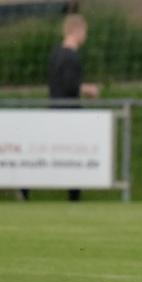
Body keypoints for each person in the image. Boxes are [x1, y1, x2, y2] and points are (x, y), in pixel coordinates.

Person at [19, 13, 99, 202]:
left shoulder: (55, 53)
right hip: (69, 113)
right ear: (76, 30)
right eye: (84, 31)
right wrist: (88, 89)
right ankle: (74, 195)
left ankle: (24, 185)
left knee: (52, 155)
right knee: (76, 155)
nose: (85, 36)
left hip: (54, 109)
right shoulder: (71, 57)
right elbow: (70, 85)